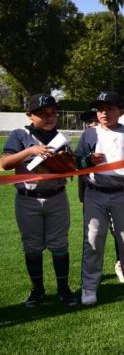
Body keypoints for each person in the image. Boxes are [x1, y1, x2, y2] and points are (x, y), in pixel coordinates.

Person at [75, 91, 124, 306]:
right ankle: (90, 286)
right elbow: (76, 163)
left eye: (110, 108)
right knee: (93, 239)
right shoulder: (89, 134)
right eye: (100, 109)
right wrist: (88, 161)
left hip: (122, 194)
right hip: (95, 193)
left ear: (121, 111)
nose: (104, 113)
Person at [1, 94, 78, 307]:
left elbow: (70, 170)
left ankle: (63, 289)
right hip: (28, 199)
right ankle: (37, 290)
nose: (50, 117)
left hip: (56, 197)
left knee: (59, 244)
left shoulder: (60, 138)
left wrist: (66, 162)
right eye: (43, 113)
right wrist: (31, 151)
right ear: (29, 115)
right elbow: (5, 164)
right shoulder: (20, 135)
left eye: (53, 113)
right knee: (32, 246)